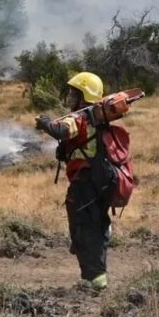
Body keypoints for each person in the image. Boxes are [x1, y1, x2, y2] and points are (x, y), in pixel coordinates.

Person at [34, 72, 115, 290]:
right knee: (96, 227)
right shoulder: (98, 118)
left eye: (74, 93)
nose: (71, 97)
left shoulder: (81, 117)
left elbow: (61, 130)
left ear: (84, 95)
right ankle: (96, 276)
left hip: (84, 185)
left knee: (83, 229)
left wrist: (44, 122)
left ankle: (94, 280)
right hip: (101, 182)